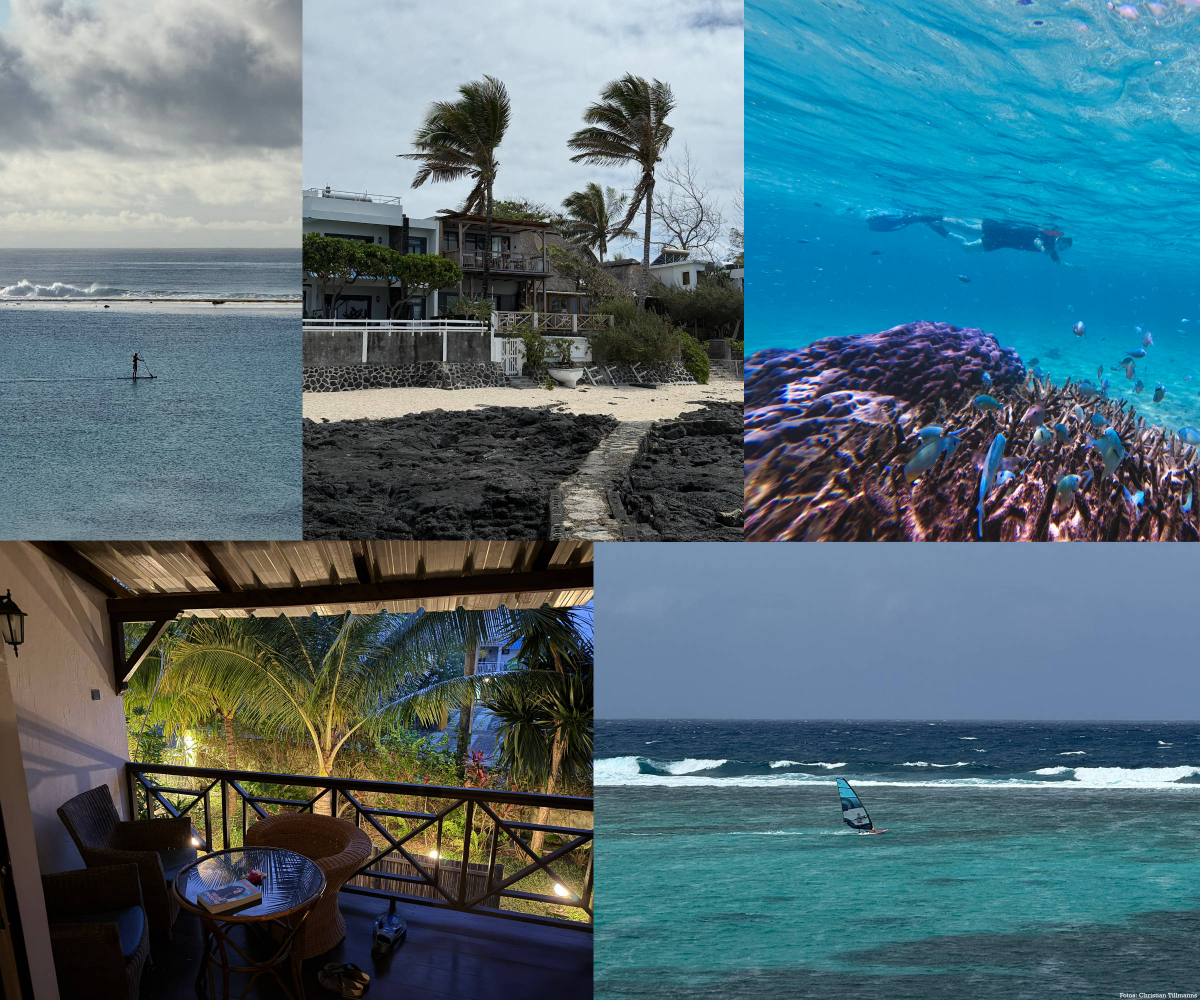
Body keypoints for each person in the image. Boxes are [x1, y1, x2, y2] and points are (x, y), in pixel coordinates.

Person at [867, 213, 1072, 262]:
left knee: (966, 247)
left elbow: (1055, 258)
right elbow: (1037, 240)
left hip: (1002, 242)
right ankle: (927, 216)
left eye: (1063, 247)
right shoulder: (1048, 237)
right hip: (1002, 230)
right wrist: (1045, 249)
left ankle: (935, 226)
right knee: (968, 228)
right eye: (1062, 243)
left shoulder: (1053, 251)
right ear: (1060, 238)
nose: (1060, 247)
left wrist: (1064, 265)